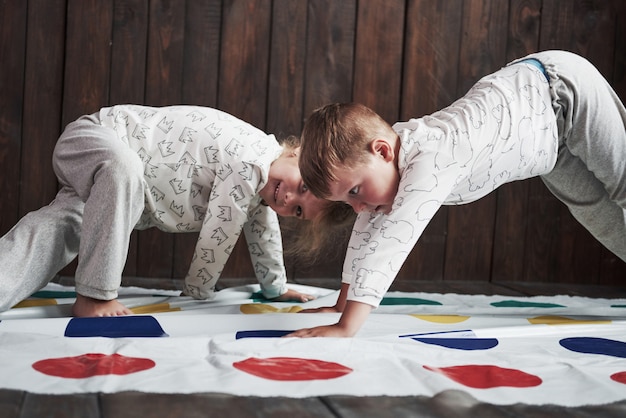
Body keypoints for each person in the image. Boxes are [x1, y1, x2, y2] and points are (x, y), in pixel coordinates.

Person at [289, 50, 626, 338]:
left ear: (382, 151)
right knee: (604, 218)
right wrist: (341, 302)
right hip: (550, 142)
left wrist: (348, 325)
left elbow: (392, 241)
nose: (359, 208)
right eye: (348, 201)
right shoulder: (387, 165)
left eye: (355, 191)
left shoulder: (428, 161)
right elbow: (368, 234)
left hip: (560, 93)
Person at [0, 105, 330, 317]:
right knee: (123, 166)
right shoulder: (251, 161)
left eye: (298, 210)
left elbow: (263, 232)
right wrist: (196, 294)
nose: (288, 200)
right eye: (301, 186)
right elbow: (220, 234)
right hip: (96, 137)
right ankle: (94, 296)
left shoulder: (260, 192)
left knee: (65, 226)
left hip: (116, 190)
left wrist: (275, 288)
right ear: (297, 153)